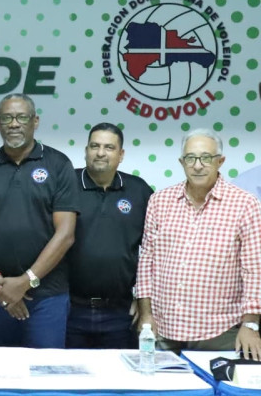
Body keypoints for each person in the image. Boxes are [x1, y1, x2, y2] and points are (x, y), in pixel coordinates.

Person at [136, 129, 261, 360]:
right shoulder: (159, 201)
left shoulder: (245, 204)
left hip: (220, 332)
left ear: (220, 161)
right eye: (191, 158)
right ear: (182, 162)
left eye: (206, 158)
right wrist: (146, 315)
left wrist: (251, 324)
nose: (198, 165)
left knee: (219, 394)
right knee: (165, 394)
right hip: (164, 331)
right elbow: (147, 264)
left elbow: (254, 270)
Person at [0, 93, 78, 348]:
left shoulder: (59, 164)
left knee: (45, 378)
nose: (14, 124)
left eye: (21, 117)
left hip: (46, 296)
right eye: (7, 118)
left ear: (35, 121)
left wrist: (25, 282)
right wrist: (0, 285)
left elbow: (66, 234)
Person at [66, 123, 153, 349]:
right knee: (68, 379)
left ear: (121, 154)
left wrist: (144, 304)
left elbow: (157, 251)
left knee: (120, 381)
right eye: (94, 146)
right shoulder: (65, 185)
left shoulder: (139, 190)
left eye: (109, 147)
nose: (101, 153)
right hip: (68, 310)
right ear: (86, 150)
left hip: (121, 311)